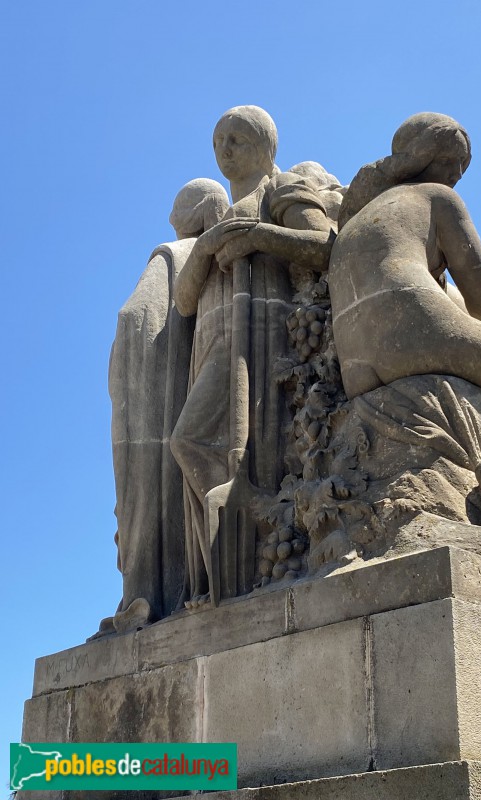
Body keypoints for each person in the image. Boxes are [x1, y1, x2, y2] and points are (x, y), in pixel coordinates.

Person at [328, 112, 481, 536]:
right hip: (410, 325)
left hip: (354, 364)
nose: (458, 177)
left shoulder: (357, 217)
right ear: (437, 160)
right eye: (455, 165)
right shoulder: (437, 198)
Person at [171, 106, 335, 607]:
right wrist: (204, 250)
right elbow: (182, 301)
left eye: (237, 138)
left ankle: (247, 526)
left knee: (190, 438)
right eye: (219, 139)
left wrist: (260, 237)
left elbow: (326, 243)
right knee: (200, 443)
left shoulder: (281, 188)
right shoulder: (217, 219)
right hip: (212, 340)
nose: (225, 148)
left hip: (261, 338)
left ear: (266, 145)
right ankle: (220, 567)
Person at [103, 178, 230, 635]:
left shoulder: (173, 254)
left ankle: (144, 598)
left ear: (186, 214)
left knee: (143, 497)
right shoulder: (200, 256)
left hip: (151, 399)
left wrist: (126, 373)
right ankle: (168, 592)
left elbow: (133, 318)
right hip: (178, 388)